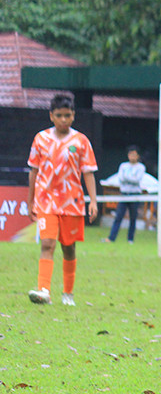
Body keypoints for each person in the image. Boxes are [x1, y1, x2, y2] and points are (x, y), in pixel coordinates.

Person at [26, 94, 98, 306]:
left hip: (72, 202)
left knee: (69, 247)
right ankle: (44, 290)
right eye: (59, 115)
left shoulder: (81, 141)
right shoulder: (40, 139)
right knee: (47, 243)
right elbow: (33, 171)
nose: (63, 120)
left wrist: (93, 200)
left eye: (68, 115)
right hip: (46, 201)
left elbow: (88, 173)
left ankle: (68, 293)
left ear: (73, 116)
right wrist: (31, 201)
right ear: (51, 116)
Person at [104, 145, 145, 244]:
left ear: (138, 156)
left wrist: (128, 178)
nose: (132, 156)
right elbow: (121, 178)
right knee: (118, 217)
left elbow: (137, 180)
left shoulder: (141, 167)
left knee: (133, 218)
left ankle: (130, 239)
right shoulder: (123, 166)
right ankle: (111, 238)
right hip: (124, 194)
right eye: (130, 154)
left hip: (134, 195)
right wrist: (130, 178)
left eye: (134, 155)